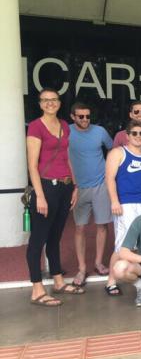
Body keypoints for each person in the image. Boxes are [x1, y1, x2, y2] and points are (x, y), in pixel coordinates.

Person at [26, 88, 83, 306]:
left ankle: (58, 281)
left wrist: (75, 185)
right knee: (38, 240)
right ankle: (37, 289)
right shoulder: (35, 126)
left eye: (54, 100)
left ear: (59, 103)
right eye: (45, 100)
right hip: (46, 187)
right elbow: (32, 165)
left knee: (55, 237)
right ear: (40, 104)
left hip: (65, 187)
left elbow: (67, 157)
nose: (50, 103)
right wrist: (39, 196)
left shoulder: (65, 126)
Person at [105, 120, 141, 296]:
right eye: (134, 133)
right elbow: (110, 178)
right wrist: (114, 201)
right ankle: (111, 281)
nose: (137, 136)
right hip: (125, 205)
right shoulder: (118, 153)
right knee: (122, 247)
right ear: (127, 136)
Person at [68, 102, 113, 287]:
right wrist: (71, 183)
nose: (85, 119)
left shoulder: (100, 131)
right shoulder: (66, 131)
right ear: (73, 117)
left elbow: (112, 149)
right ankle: (81, 268)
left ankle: (98, 262)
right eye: (81, 116)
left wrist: (110, 173)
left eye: (87, 116)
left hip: (101, 184)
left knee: (102, 225)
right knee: (79, 228)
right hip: (78, 187)